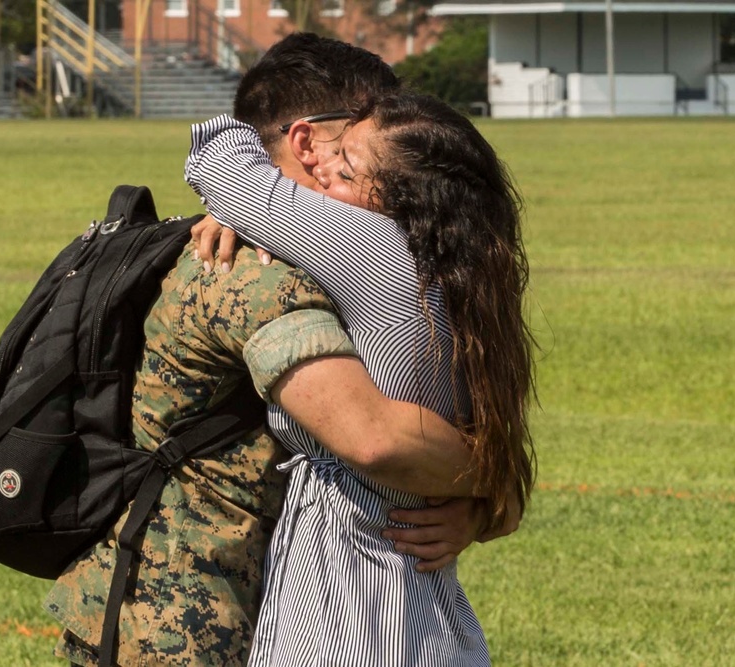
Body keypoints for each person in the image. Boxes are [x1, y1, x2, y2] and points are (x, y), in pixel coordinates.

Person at [44, 34, 494, 667]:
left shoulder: (344, 245)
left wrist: (481, 503)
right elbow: (379, 438)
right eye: (359, 136)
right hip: (186, 615)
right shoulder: (255, 268)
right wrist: (493, 480)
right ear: (308, 142)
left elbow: (397, 438)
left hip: (325, 609)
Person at [186, 91, 536, 665]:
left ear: (400, 202)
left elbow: (218, 161)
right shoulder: (460, 276)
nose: (319, 167)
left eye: (345, 167)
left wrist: (238, 204)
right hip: (430, 618)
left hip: (351, 611)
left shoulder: (374, 246)